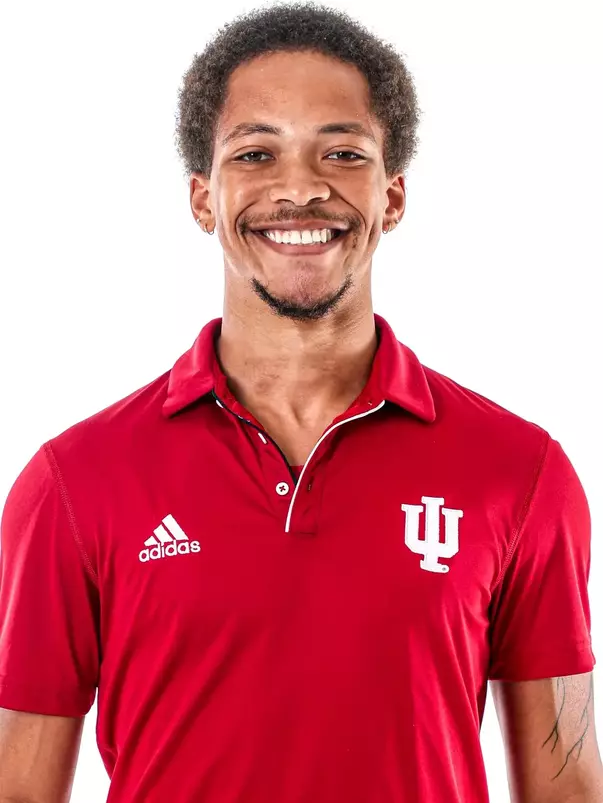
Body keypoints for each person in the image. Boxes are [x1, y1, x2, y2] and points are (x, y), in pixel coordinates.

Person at [0, 3, 601, 802]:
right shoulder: (73, 481)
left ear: (391, 197)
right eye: (255, 152)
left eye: (342, 152)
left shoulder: (522, 473)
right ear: (203, 198)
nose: (301, 188)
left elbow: (565, 785)